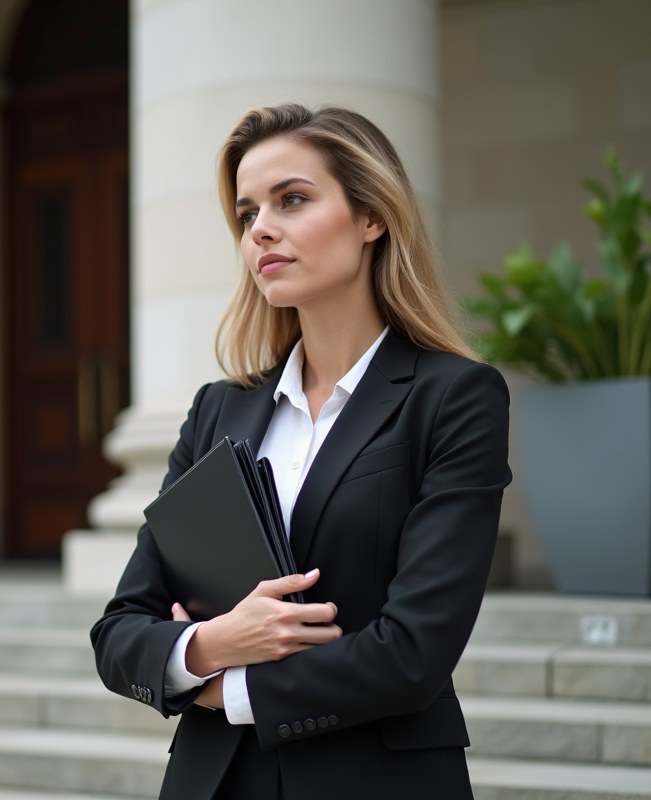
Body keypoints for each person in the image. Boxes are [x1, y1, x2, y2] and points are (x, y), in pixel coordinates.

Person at [90, 104, 511, 800]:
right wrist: (215, 642)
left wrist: (226, 691)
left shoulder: (455, 397)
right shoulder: (216, 409)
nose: (261, 229)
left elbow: (415, 652)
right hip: (214, 781)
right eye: (248, 212)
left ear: (372, 217)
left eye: (291, 199)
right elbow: (119, 631)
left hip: (376, 780)